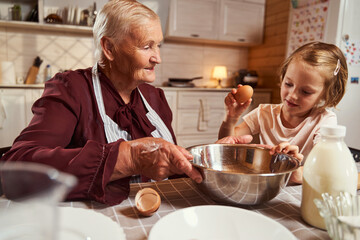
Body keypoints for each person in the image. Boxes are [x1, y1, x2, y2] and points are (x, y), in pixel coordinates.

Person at [1, 0, 224, 205]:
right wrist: (131, 157)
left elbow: (167, 169)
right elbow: (16, 168)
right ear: (109, 48)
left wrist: (213, 159)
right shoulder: (71, 89)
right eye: (147, 46)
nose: (158, 57)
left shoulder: (155, 98)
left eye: (158, 46)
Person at [218, 41, 348, 184]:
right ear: (283, 77)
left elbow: (325, 165)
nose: (292, 95)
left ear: (325, 95)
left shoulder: (324, 121)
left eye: (306, 92)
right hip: (263, 186)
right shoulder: (264, 113)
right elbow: (226, 146)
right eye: (288, 84)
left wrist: (296, 171)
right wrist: (230, 118)